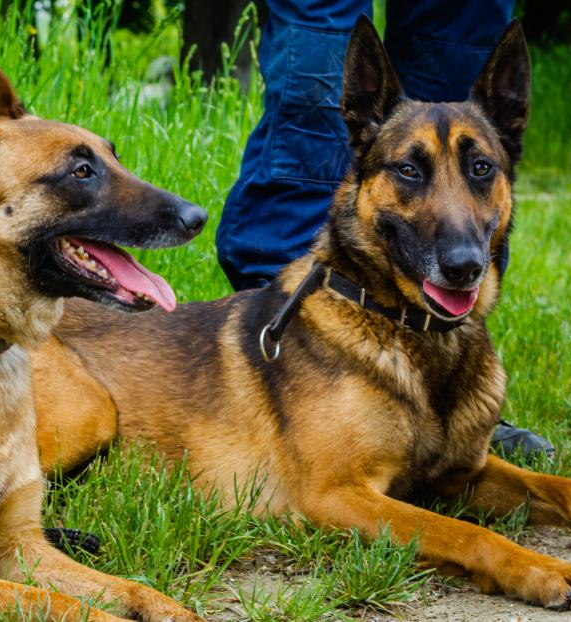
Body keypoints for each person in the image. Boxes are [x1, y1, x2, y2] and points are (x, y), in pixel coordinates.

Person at [216, 0, 554, 459]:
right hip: (296, 331)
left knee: (453, 55)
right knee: (312, 86)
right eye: (410, 172)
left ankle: (445, 399)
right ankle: (286, 373)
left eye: (480, 170)